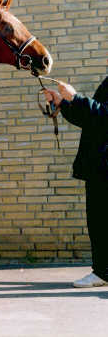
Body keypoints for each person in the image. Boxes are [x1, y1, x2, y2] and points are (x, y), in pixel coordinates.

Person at [43, 75, 108, 288]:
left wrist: (76, 98)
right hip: (99, 165)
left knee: (100, 221)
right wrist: (64, 104)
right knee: (98, 222)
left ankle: (102, 273)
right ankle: (102, 271)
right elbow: (91, 119)